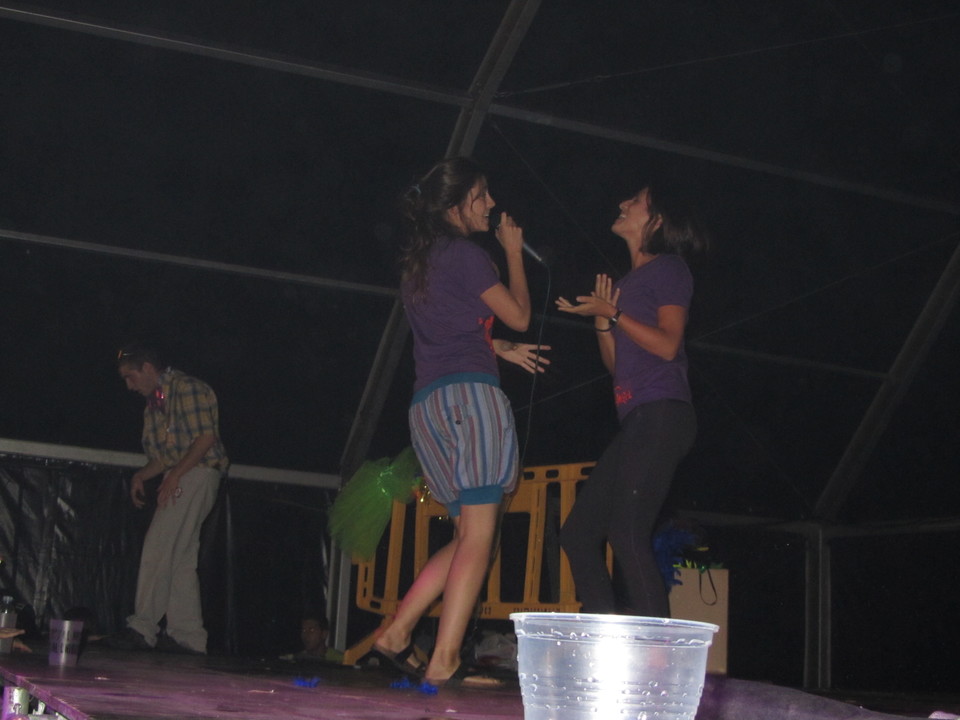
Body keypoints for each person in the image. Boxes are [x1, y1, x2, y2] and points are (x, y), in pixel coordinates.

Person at [368, 156, 546, 689]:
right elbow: (519, 314)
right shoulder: (469, 255)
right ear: (456, 203)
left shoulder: (420, 263)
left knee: (469, 532)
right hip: (470, 399)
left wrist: (498, 349)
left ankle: (397, 633)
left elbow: (450, 330)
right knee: (481, 535)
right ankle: (444, 658)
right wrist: (512, 252)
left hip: (429, 405)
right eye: (482, 194)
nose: (491, 204)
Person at [556, 182, 707, 617]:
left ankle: (657, 650)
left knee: (626, 531)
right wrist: (603, 323)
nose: (623, 203)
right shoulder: (625, 284)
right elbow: (616, 366)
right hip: (639, 418)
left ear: (656, 220)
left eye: (635, 201)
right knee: (578, 534)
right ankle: (604, 638)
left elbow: (667, 345)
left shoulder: (670, 269)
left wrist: (615, 314)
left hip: (663, 413)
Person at [104, 344, 228, 654]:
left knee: (159, 546)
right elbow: (164, 458)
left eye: (130, 377)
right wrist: (141, 475)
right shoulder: (155, 403)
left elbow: (205, 439)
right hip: (185, 473)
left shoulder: (187, 388)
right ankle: (188, 636)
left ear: (148, 368)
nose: (129, 386)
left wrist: (175, 475)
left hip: (198, 473)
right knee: (181, 557)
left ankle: (142, 627)